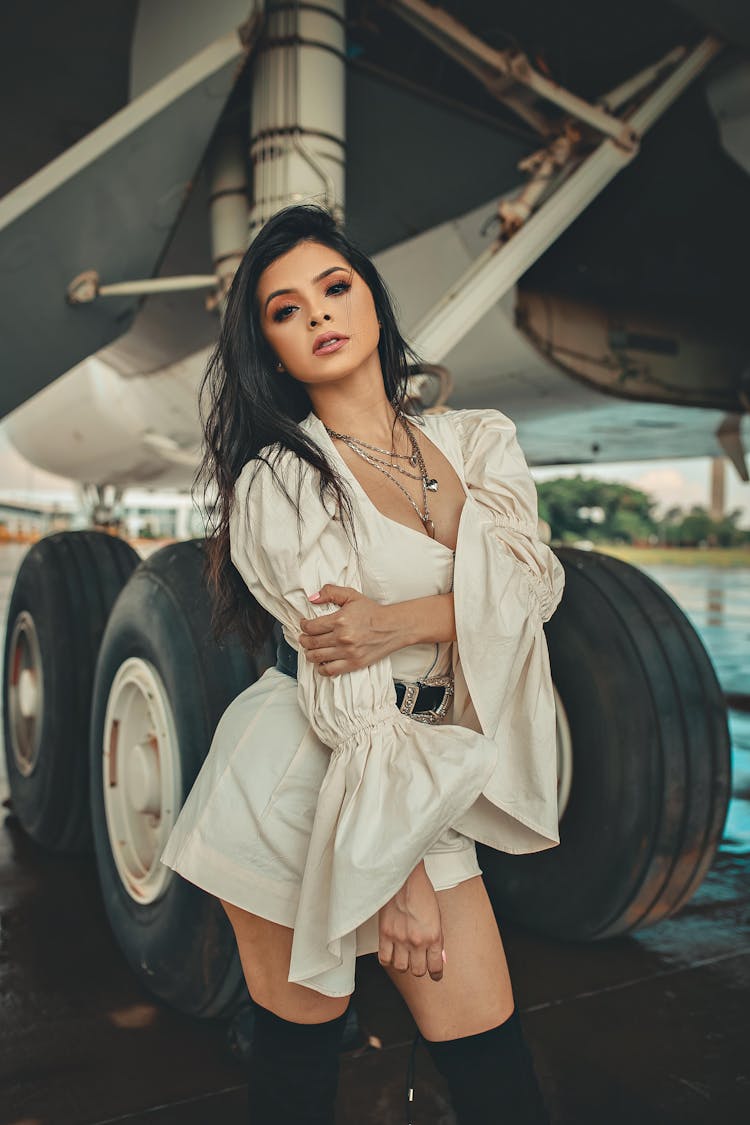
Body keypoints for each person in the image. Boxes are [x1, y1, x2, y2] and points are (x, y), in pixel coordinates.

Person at [159, 202, 565, 1123]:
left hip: (422, 770)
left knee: (497, 1071)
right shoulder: (282, 480)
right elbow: (343, 678)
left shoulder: (477, 441)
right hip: (305, 776)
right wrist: (401, 873)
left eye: (334, 287)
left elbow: (536, 585)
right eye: (285, 309)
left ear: (373, 302)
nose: (319, 315)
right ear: (271, 351)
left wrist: (405, 620)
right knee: (300, 1065)